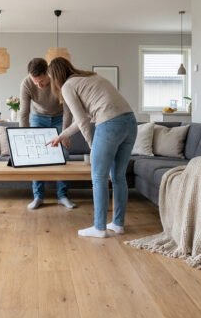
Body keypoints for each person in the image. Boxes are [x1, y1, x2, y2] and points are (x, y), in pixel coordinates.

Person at [46, 57, 137, 238]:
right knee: (118, 177)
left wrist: (93, 147)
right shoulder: (91, 77)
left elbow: (82, 121)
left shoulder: (67, 87)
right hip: (130, 122)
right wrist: (62, 135)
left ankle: (99, 228)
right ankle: (118, 224)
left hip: (110, 124)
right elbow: (83, 120)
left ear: (55, 77)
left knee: (98, 177)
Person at [19, 58, 77, 210]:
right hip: (38, 117)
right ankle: (38, 196)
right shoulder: (26, 83)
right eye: (35, 82)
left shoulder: (59, 80)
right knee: (37, 156)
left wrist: (64, 133)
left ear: (48, 73)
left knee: (63, 153)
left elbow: (68, 110)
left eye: (42, 81)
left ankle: (62, 196)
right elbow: (24, 113)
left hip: (59, 118)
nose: (39, 85)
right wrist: (23, 137)